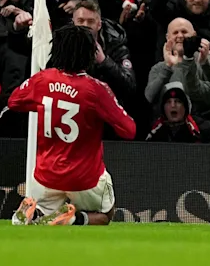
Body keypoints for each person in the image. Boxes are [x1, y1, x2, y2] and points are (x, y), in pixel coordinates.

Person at [8, 24, 136, 226]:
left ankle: (31, 211)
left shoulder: (42, 80)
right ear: (89, 54)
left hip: (46, 175)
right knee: (106, 215)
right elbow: (129, 130)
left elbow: (14, 102)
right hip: (85, 178)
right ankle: (73, 219)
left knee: (42, 212)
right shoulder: (96, 89)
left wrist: (46, 104)